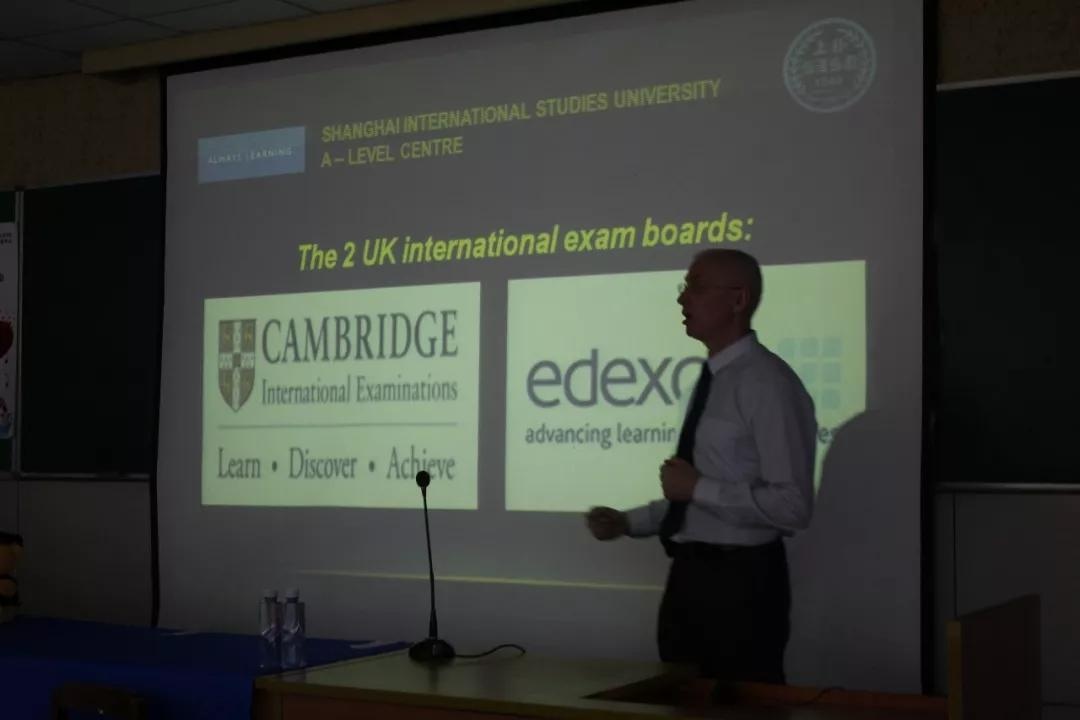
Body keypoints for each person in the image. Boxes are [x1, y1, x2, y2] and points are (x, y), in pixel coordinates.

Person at [586, 248, 816, 684]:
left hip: (742, 585)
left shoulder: (768, 384)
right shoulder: (713, 379)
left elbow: (793, 506)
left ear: (738, 300)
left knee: (740, 709)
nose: (681, 298)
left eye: (695, 286)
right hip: (690, 576)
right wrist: (627, 522)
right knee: (677, 701)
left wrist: (697, 488)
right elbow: (696, 494)